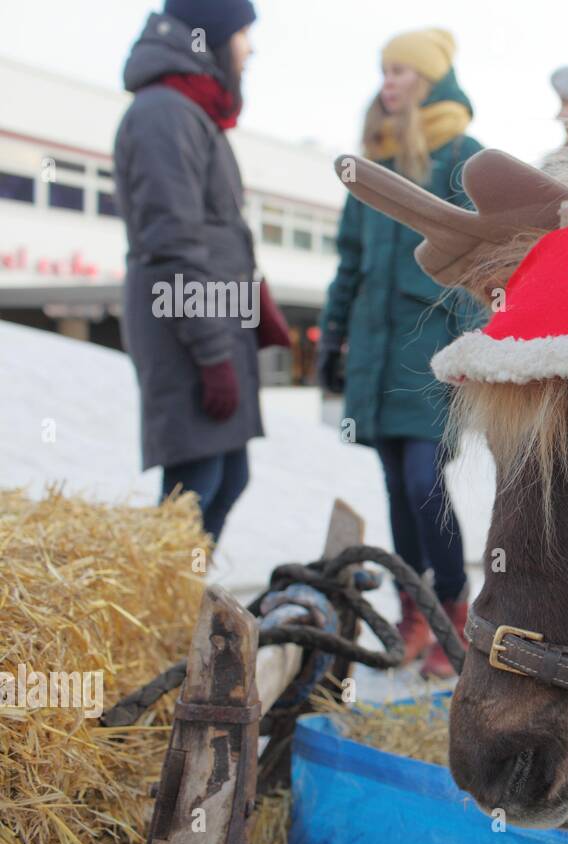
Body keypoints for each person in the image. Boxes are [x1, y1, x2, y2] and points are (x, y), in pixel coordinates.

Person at [316, 29, 483, 679]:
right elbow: (349, 265)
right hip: (375, 350)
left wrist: (471, 346)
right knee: (394, 484)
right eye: (384, 71)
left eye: (402, 72)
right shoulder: (372, 167)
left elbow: (479, 259)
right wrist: (332, 338)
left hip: (431, 352)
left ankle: (453, 614)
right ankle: (413, 616)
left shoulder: (463, 159)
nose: (389, 82)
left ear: (431, 79)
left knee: (423, 481)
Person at [114, 0, 290, 544]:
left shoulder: (194, 115)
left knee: (227, 476)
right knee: (197, 482)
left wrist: (254, 311)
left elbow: (219, 236)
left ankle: (183, 610)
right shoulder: (164, 114)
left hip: (211, 327)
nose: (250, 48)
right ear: (210, 36)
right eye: (242, 34)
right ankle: (162, 615)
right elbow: (173, 247)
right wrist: (213, 354)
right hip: (187, 336)